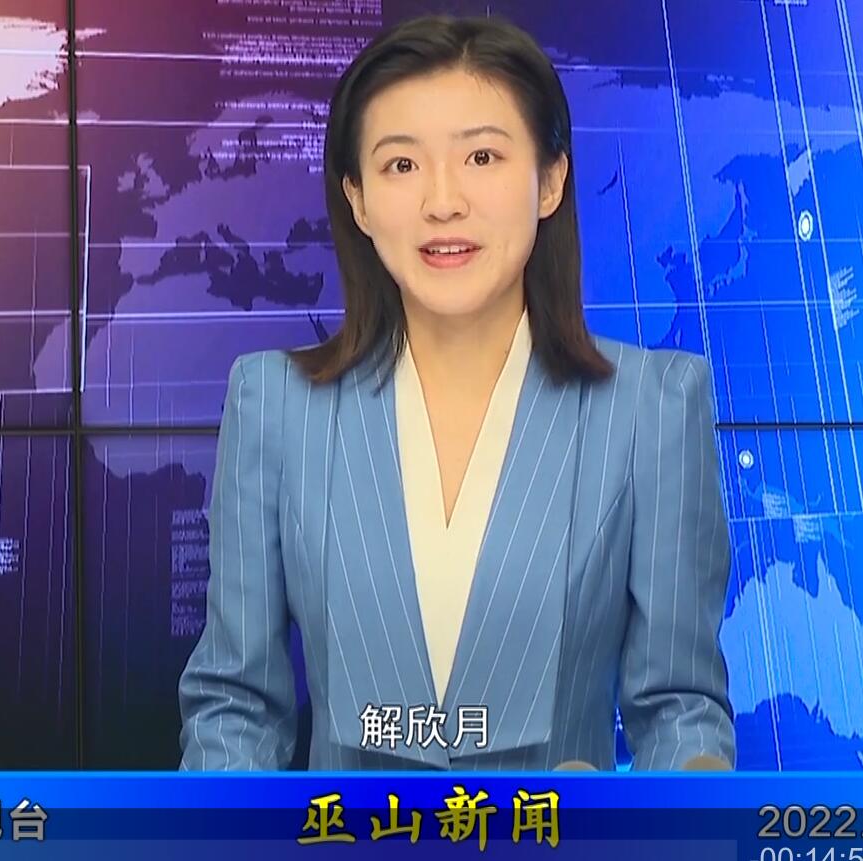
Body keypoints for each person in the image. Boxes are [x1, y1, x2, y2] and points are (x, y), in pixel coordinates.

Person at [178, 13, 735, 771]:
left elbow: (678, 709)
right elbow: (235, 706)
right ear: (358, 199)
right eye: (402, 165)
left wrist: (678, 805)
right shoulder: (273, 403)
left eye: (481, 156)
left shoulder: (653, 407)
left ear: (550, 180)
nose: (443, 201)